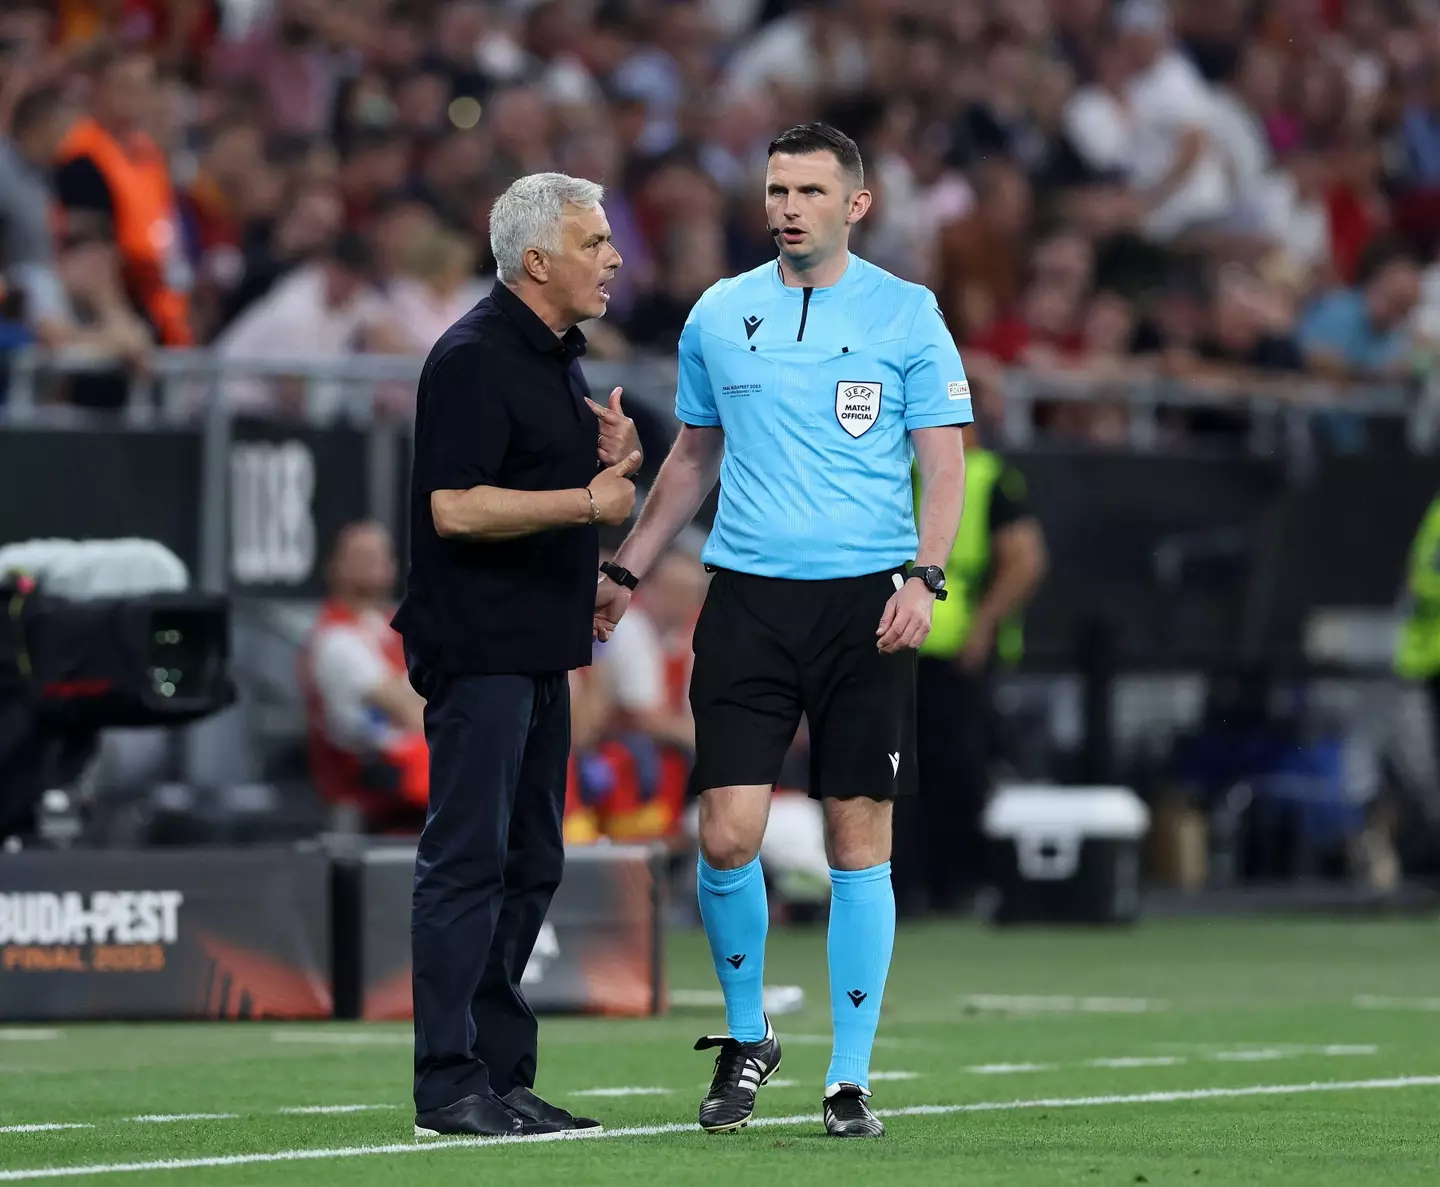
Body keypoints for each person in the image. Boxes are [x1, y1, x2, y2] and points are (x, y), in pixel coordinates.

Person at [596, 123, 970, 1139]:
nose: (787, 205)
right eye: (775, 188)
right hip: (750, 599)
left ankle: (848, 1075)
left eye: (808, 188)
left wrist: (926, 578)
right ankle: (749, 1034)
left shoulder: (906, 312)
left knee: (858, 841)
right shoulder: (720, 313)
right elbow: (690, 461)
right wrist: (628, 563)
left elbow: (943, 464)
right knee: (726, 832)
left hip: (866, 604)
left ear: (857, 204)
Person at [391, 171, 641, 1139]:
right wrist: (588, 503)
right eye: (593, 242)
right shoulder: (471, 356)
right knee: (466, 862)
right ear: (536, 260)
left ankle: (499, 1074)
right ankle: (445, 1081)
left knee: (531, 860)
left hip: (540, 650)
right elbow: (454, 506)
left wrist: (608, 463)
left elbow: (545, 485)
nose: (613, 257)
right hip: (480, 648)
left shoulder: (556, 358)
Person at [894, 395, 1048, 917]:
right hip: (900, 640)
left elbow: (1024, 559)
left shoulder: (987, 476)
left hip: (955, 648)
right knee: (899, 766)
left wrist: (983, 627)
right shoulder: (906, 470)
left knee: (955, 766)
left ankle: (956, 883)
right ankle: (904, 882)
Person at [299, 521, 428, 834]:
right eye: (359, 556)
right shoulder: (335, 638)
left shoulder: (394, 629)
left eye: (379, 556)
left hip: (415, 791)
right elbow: (413, 712)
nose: (371, 564)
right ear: (334, 567)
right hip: (368, 796)